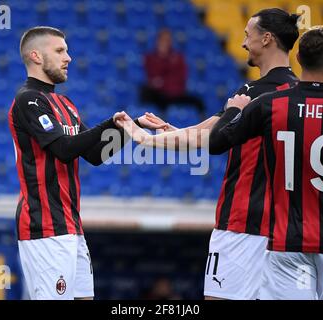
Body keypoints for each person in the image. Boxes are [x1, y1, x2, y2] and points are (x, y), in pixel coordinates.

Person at [116, 9, 300, 300]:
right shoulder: (299, 94)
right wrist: (172, 130)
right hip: (289, 231)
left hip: (242, 226)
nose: (242, 43)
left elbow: (206, 136)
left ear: (266, 39)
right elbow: (207, 130)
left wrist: (143, 138)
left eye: (247, 36)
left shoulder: (253, 92)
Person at [7, 26, 165, 300]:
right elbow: (64, 149)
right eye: (59, 51)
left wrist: (130, 127)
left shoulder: (65, 104)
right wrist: (111, 123)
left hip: (71, 227)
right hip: (44, 228)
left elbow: (95, 154)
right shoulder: (28, 100)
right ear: (35, 56)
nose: (68, 57)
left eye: (66, 50)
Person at [208, 26, 323, 300]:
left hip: (290, 244)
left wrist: (234, 110)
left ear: (297, 58)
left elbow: (215, 143)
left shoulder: (270, 104)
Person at [140, 28, 205, 117]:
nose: (165, 43)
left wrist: (163, 82)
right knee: (147, 93)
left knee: (198, 102)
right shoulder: (151, 57)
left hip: (175, 92)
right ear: (157, 41)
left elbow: (180, 77)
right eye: (163, 40)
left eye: (168, 40)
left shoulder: (178, 57)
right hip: (159, 94)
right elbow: (153, 78)